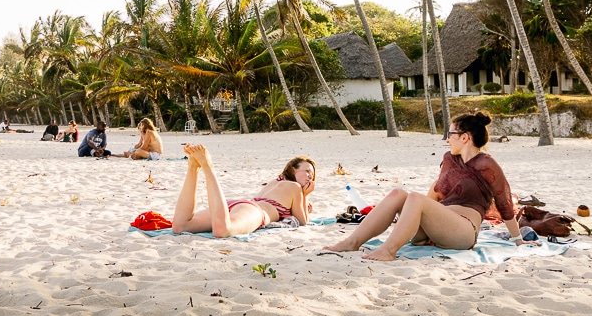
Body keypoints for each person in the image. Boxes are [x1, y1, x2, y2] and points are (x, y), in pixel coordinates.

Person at [324, 111, 534, 260]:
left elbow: (505, 203)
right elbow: (436, 192)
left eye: (450, 135)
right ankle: (352, 242)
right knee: (399, 194)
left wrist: (518, 240)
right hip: (437, 227)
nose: (447, 140)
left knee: (414, 197)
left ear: (464, 137)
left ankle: (388, 251)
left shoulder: (487, 164)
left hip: (463, 231)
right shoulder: (450, 159)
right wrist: (414, 220)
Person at [171, 144, 315, 237]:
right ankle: (208, 167)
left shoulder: (275, 182)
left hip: (238, 204)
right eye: (307, 171)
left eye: (312, 175)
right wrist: (305, 195)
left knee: (181, 226)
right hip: (256, 210)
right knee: (223, 230)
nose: (310, 176)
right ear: (292, 170)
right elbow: (302, 221)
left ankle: (193, 168)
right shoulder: (295, 187)